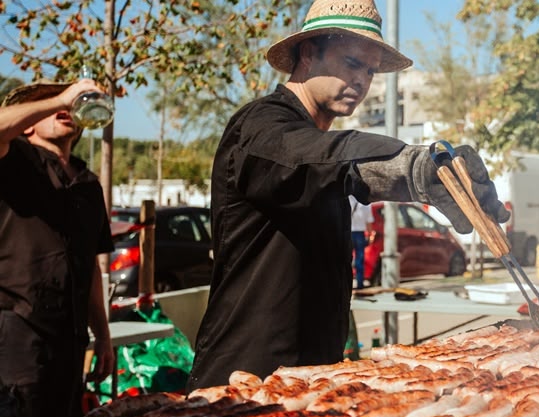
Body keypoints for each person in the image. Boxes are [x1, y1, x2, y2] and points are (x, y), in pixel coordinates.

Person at [188, 0, 509, 389]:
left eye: (370, 71)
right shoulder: (260, 127)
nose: (362, 80)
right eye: (352, 63)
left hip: (309, 382)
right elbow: (318, 160)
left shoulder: (316, 139)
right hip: (242, 379)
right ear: (308, 53)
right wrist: (414, 168)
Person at [0, 80, 115, 417]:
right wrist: (61, 98)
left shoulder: (88, 183)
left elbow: (92, 266)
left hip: (71, 340)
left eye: (66, 105)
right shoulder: (14, 159)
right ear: (28, 121)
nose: (60, 107)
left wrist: (104, 337)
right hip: (17, 336)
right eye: (44, 105)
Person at [348, 194, 374, 289]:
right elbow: (369, 222)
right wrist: (370, 235)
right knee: (360, 260)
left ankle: (347, 284)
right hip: (360, 234)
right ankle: (360, 284)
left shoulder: (347, 199)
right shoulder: (365, 203)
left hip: (348, 233)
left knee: (346, 260)